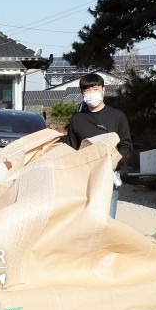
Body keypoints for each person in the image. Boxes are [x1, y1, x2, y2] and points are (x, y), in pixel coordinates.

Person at [66, 73, 133, 218]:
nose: (91, 93)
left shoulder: (117, 116)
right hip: (83, 182)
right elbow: (71, 150)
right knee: (85, 223)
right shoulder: (77, 120)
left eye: (95, 89)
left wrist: (113, 162)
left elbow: (126, 146)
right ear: (81, 93)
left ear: (103, 90)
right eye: (86, 90)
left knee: (106, 223)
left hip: (108, 179)